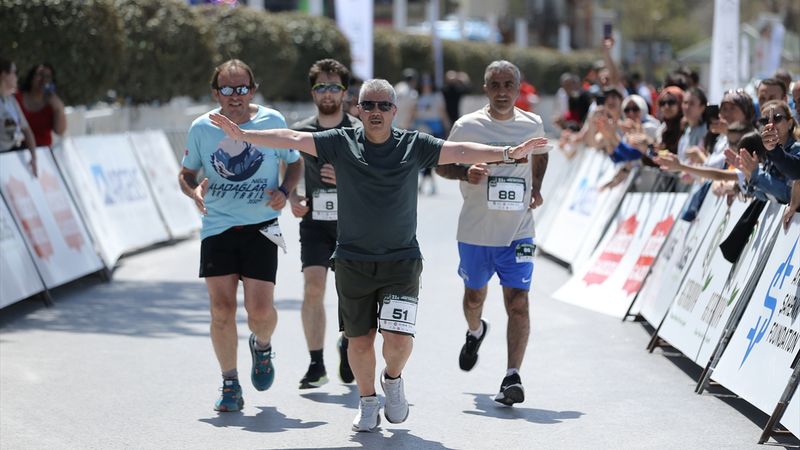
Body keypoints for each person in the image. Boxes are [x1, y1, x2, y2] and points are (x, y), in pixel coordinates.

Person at [209, 78, 548, 432]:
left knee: (398, 341)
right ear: (358, 110)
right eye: (368, 105)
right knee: (360, 341)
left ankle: (393, 379)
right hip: (352, 261)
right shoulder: (340, 142)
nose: (375, 112)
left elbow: (460, 151)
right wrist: (244, 135)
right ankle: (368, 401)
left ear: (394, 111)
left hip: (401, 261)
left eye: (383, 106)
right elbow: (292, 138)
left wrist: (508, 153)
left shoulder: (413, 144)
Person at [178, 59, 303, 412]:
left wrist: (285, 190)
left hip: (262, 226)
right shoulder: (201, 128)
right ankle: (230, 382)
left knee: (260, 312)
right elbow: (186, 173)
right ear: (215, 93)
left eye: (242, 88)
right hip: (217, 227)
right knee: (221, 309)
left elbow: (295, 161)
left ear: (253, 89)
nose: (235, 96)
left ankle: (262, 345)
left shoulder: (272, 121)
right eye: (227, 89)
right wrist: (193, 191)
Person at [435, 60, 550, 407]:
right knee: (474, 297)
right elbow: (441, 165)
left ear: (518, 88)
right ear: (485, 89)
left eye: (508, 85)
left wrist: (536, 187)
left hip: (519, 231)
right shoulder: (467, 125)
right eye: (495, 85)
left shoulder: (532, 123)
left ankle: (512, 376)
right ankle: (476, 330)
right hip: (476, 231)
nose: (502, 92)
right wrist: (464, 172)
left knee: (519, 302)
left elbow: (540, 154)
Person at [289, 59, 359, 389]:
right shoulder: (301, 131)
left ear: (344, 92)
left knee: (351, 294)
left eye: (334, 87)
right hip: (315, 222)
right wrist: (292, 195)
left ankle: (348, 342)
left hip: (353, 224)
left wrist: (345, 178)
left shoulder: (359, 131)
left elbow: (377, 176)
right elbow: (286, 163)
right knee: (313, 287)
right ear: (312, 92)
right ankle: (316, 364)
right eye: (321, 87)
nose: (327, 93)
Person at [410, 73, 451, 195]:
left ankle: (425, 184)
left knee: (431, 158)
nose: (426, 85)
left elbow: (442, 112)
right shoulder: (417, 96)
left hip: (435, 129)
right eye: (424, 82)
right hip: (421, 129)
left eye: (428, 82)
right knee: (423, 159)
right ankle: (427, 184)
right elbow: (413, 113)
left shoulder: (437, 96)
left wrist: (447, 127)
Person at [15, 63, 66, 147]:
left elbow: (59, 131)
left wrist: (59, 109)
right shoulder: (16, 98)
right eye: (40, 74)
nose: (44, 79)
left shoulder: (53, 103)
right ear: (31, 77)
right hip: (17, 149)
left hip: (43, 149)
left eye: (48, 76)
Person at [0, 57, 37, 175]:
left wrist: (33, 157)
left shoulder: (11, 100)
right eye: (14, 72)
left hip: (13, 155)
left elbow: (26, 129)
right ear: (4, 75)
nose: (17, 77)